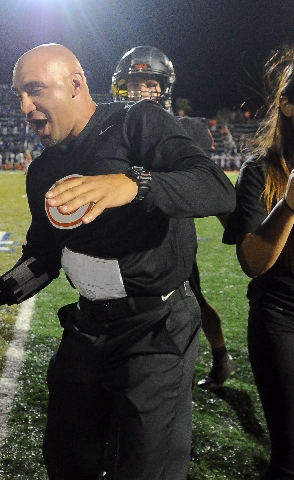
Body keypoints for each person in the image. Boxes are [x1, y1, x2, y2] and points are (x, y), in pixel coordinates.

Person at [0, 43, 235, 480]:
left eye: (34, 90)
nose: (25, 106)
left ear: (76, 84)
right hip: (88, 327)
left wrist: (133, 184)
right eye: (19, 96)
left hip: (155, 327)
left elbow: (215, 187)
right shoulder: (44, 169)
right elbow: (46, 254)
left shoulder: (137, 121)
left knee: (145, 468)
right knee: (68, 458)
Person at [111, 45, 235, 389]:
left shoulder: (186, 128)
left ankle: (218, 355)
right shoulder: (113, 125)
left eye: (149, 82)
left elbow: (201, 180)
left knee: (189, 296)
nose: (140, 90)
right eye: (133, 83)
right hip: (127, 232)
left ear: (165, 87)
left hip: (171, 231)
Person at [223, 46, 294, 479]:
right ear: (287, 105)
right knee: (288, 459)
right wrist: (288, 206)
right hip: (281, 317)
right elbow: (252, 262)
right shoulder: (259, 171)